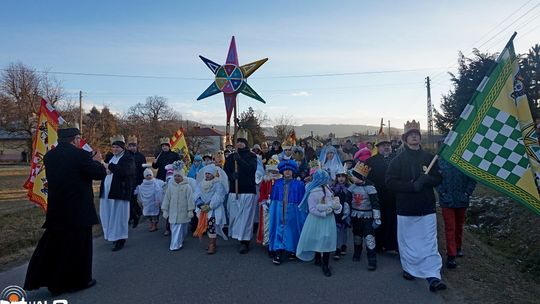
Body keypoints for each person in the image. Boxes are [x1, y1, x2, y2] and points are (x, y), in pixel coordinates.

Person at [24, 128, 106, 295]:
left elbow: (71, 170)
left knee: (58, 247)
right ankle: (80, 281)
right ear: (75, 139)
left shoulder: (50, 156)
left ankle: (56, 283)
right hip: (78, 209)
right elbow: (98, 173)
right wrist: (97, 161)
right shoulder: (80, 155)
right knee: (79, 248)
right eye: (78, 139)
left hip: (58, 209)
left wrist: (88, 161)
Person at [385, 120, 446, 292]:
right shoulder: (397, 160)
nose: (414, 136)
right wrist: (411, 186)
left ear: (420, 138)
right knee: (408, 242)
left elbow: (439, 178)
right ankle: (409, 268)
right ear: (405, 138)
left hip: (426, 207)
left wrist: (428, 180)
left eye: (416, 134)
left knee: (429, 242)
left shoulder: (429, 158)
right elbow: (390, 182)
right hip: (406, 208)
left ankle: (433, 276)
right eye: (410, 134)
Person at [296, 169, 342, 277]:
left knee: (326, 239)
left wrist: (336, 206)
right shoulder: (313, 192)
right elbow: (312, 209)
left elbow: (332, 202)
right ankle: (317, 258)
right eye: (325, 179)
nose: (327, 181)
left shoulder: (328, 189)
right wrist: (324, 213)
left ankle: (325, 264)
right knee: (317, 237)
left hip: (328, 219)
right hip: (317, 219)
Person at [436, 158, 476, 269]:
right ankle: (451, 255)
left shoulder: (465, 161)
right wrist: (442, 193)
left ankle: (458, 247)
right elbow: (436, 179)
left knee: (459, 226)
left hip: (461, 200)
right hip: (447, 201)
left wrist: (467, 193)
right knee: (450, 227)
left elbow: (472, 178)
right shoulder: (440, 162)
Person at [99, 135, 136, 252]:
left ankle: (120, 239)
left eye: (117, 147)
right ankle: (112, 235)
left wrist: (109, 166)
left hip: (120, 192)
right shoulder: (111, 157)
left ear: (122, 147)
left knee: (119, 217)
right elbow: (107, 170)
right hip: (108, 193)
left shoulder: (128, 158)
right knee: (108, 215)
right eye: (113, 147)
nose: (115, 149)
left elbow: (125, 171)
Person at [223, 134, 258, 254]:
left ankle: (245, 242)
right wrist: (232, 176)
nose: (239, 144)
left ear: (245, 144)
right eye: (237, 142)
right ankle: (238, 236)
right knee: (235, 216)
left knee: (246, 217)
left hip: (247, 190)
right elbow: (226, 170)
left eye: (241, 142)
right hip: (234, 190)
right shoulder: (231, 157)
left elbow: (251, 170)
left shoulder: (252, 156)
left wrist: (240, 161)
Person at [268, 160, 307, 265]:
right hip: (279, 210)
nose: (288, 172)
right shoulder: (277, 184)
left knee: (293, 229)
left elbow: (302, 201)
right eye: (285, 170)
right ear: (282, 171)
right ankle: (278, 251)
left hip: (293, 211)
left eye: (289, 170)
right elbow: (274, 201)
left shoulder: (299, 184)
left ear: (293, 171)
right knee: (279, 228)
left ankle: (293, 249)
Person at [366, 138, 398, 252]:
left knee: (393, 221)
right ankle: (379, 245)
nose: (386, 147)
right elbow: (363, 177)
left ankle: (393, 245)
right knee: (379, 220)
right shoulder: (370, 161)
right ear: (378, 148)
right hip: (378, 196)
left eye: (388, 145)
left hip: (394, 196)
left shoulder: (397, 158)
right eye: (383, 145)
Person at [348, 162, 381, 271]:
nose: (352, 177)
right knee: (357, 236)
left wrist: (377, 218)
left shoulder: (370, 188)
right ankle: (357, 253)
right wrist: (346, 215)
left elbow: (375, 204)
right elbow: (347, 202)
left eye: (354, 175)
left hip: (367, 216)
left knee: (369, 238)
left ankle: (372, 260)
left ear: (360, 177)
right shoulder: (351, 188)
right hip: (355, 215)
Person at [193, 164, 229, 254]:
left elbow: (219, 196)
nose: (207, 175)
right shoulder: (201, 183)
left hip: (213, 209)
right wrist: (200, 204)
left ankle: (212, 244)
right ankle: (212, 242)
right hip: (203, 209)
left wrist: (210, 205)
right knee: (207, 225)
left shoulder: (218, 184)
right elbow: (197, 194)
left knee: (211, 225)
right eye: (206, 174)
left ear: (213, 174)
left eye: (209, 173)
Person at [161, 161, 195, 251]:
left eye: (179, 176)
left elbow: (190, 199)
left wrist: (190, 210)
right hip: (173, 211)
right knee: (175, 228)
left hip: (183, 211)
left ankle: (181, 239)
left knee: (183, 228)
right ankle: (175, 244)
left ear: (183, 176)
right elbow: (167, 198)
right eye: (175, 176)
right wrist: (165, 209)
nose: (177, 178)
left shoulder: (187, 187)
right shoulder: (171, 186)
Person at [256, 155, 280, 247]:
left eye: (274, 171)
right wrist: (264, 202)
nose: (273, 173)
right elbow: (261, 192)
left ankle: (276, 242)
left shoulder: (280, 181)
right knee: (267, 224)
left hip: (277, 204)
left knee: (276, 224)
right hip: (266, 205)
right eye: (271, 171)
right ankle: (267, 241)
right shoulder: (265, 180)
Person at [330, 165, 351, 259]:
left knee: (345, 229)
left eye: (343, 176)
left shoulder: (349, 187)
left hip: (346, 210)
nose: (341, 178)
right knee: (337, 229)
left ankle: (343, 245)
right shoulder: (333, 187)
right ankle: (337, 248)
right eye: (339, 176)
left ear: (346, 177)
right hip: (336, 211)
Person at [135, 168, 165, 232]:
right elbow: (140, 189)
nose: (149, 176)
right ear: (144, 176)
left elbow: (162, 185)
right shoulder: (143, 184)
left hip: (154, 202)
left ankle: (154, 225)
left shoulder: (156, 182)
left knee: (154, 215)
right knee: (148, 214)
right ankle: (151, 223)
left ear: (152, 175)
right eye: (147, 175)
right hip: (147, 203)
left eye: (150, 175)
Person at [126, 135, 146, 229]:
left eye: (134, 146)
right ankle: (133, 214)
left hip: (138, 179)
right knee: (131, 198)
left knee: (135, 198)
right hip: (128, 180)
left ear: (136, 146)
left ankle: (136, 211)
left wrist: (143, 180)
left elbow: (143, 169)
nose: (132, 148)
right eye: (130, 146)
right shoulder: (126, 155)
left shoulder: (141, 156)